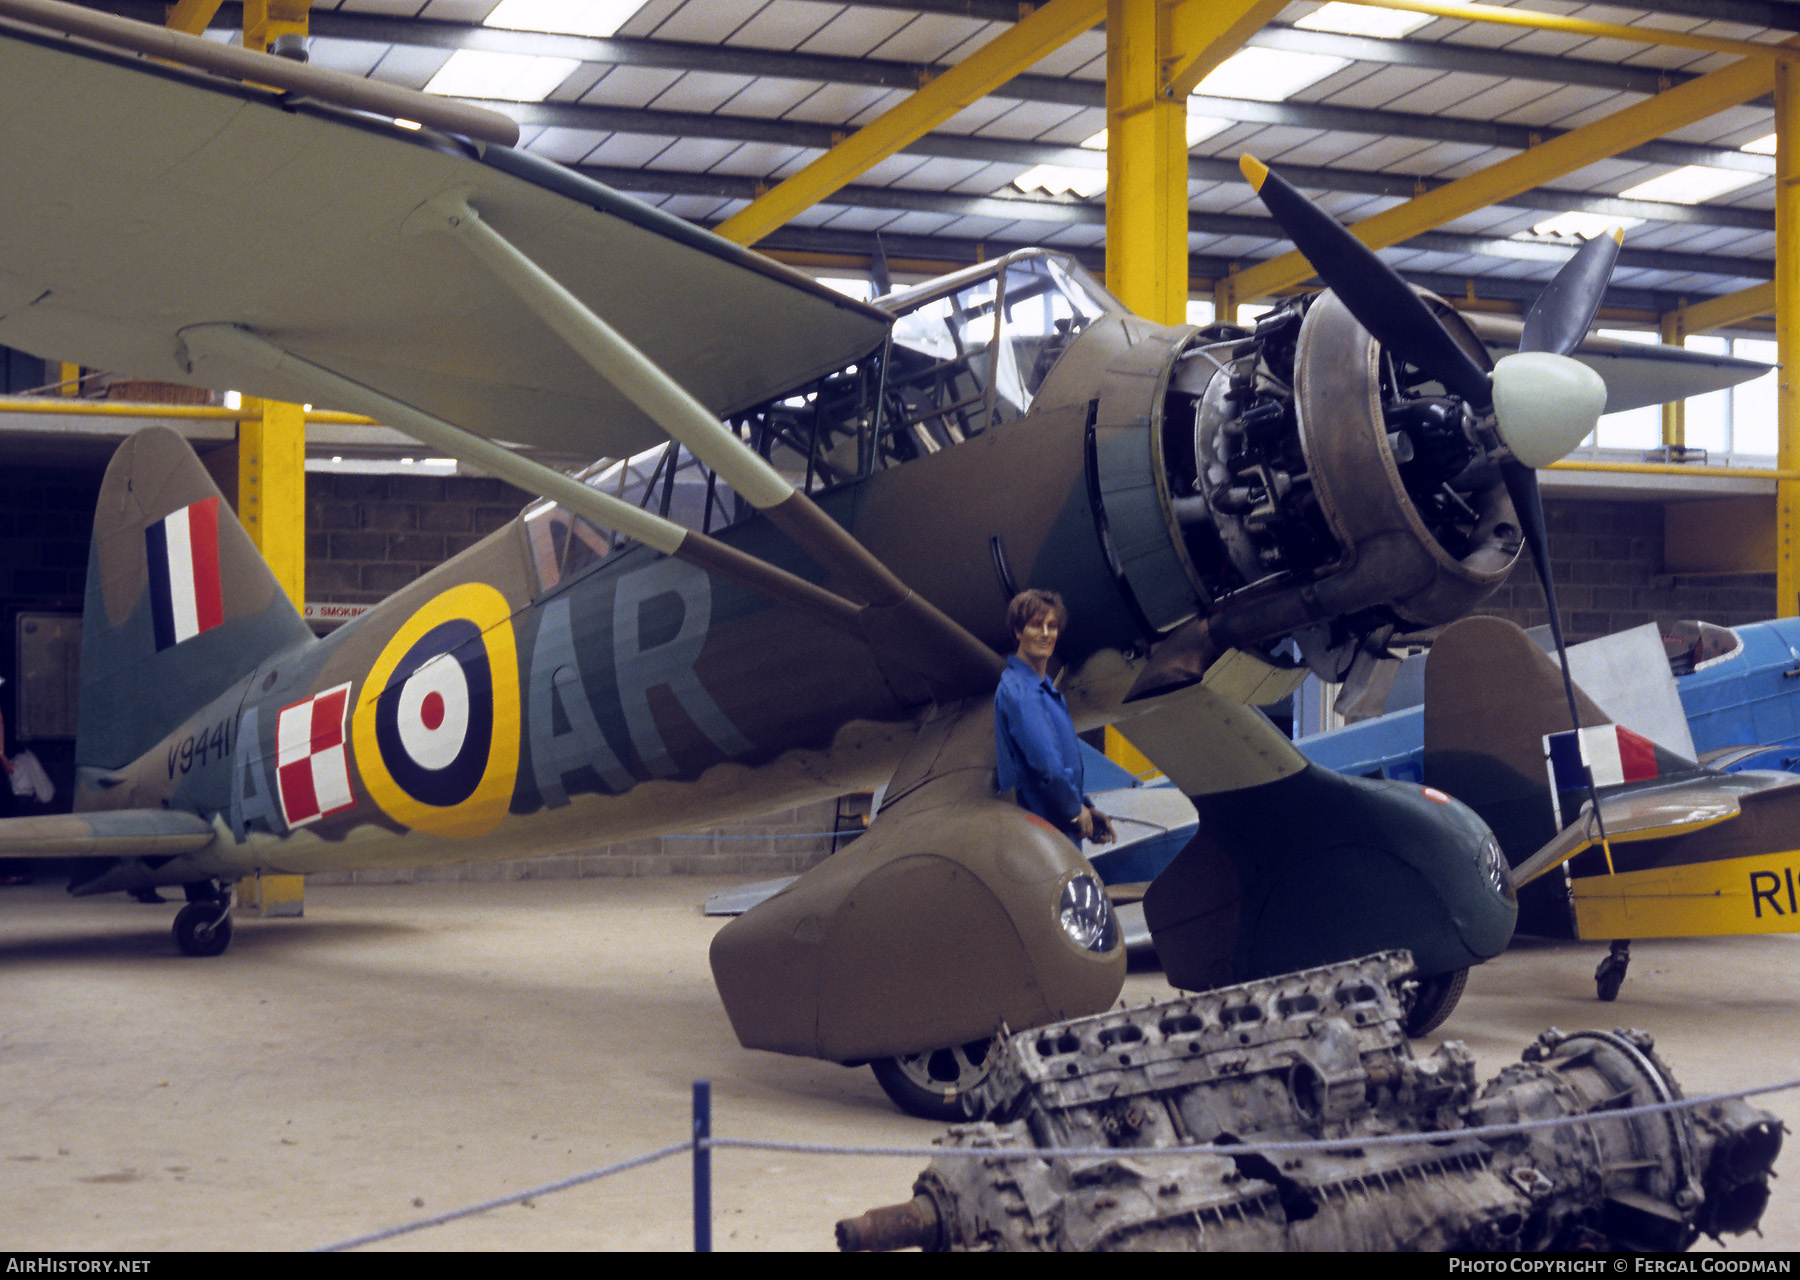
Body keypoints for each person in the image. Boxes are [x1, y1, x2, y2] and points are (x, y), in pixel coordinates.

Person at [994, 589, 1114, 846]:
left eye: (1052, 626)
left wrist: (1086, 809)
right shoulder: (1020, 691)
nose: (1046, 634)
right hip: (1042, 838)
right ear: (1018, 631)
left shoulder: (1044, 688)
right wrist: (1074, 810)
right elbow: (1046, 767)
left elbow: (1061, 764)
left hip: (1058, 831)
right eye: (1036, 626)